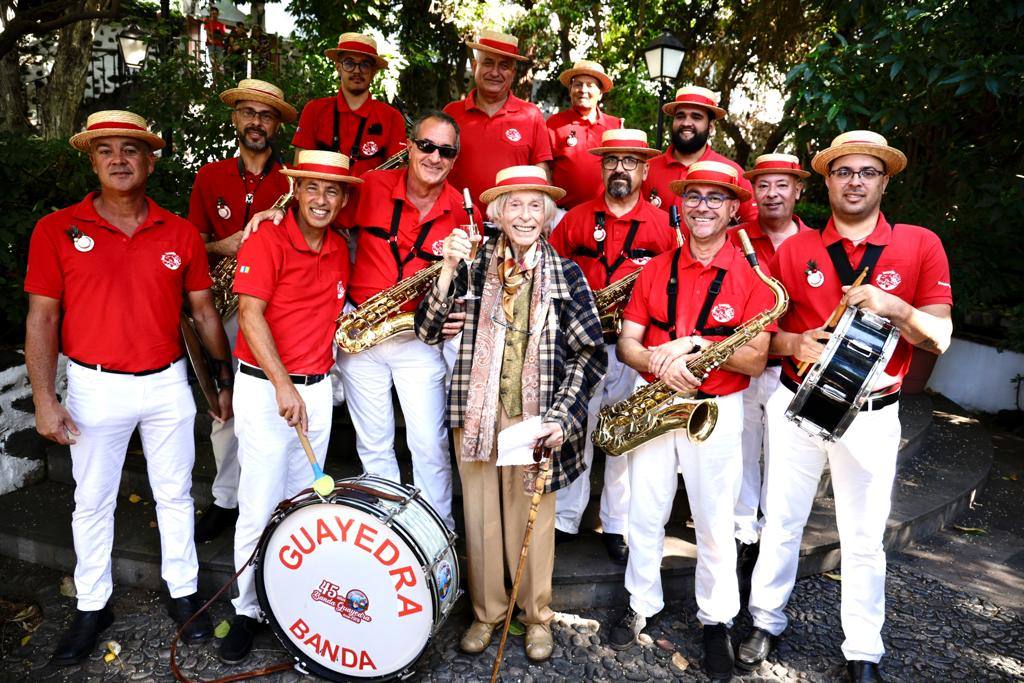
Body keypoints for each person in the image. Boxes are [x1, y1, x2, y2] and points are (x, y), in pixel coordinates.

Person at [737, 132, 953, 683]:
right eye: (843, 172)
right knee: (781, 520)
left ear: (884, 181)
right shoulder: (795, 249)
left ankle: (863, 650)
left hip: (872, 412)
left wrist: (895, 306)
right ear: (828, 181)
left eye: (867, 172)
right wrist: (792, 344)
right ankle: (765, 619)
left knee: (864, 534)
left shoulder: (920, 244)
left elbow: (939, 338)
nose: (854, 181)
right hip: (797, 399)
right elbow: (761, 336)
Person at [25, 110, 233, 664]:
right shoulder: (57, 230)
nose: (119, 158)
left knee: (175, 493)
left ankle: (184, 591)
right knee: (91, 501)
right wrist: (45, 399)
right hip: (94, 387)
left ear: (150, 160)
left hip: (167, 383)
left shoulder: (181, 232)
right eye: (106, 150)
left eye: (131, 149)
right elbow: (42, 320)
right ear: (92, 161)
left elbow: (205, 313)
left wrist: (222, 379)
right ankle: (93, 605)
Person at [415, 166, 606, 662]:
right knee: (480, 519)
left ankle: (536, 617)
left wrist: (561, 417)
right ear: (497, 213)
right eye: (514, 205)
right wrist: (448, 268)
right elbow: (428, 329)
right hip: (477, 411)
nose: (525, 214)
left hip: (536, 415)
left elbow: (591, 354)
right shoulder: (474, 267)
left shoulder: (566, 274)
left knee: (532, 522)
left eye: (535, 205)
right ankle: (486, 614)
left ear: (547, 215)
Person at [607, 160, 775, 681]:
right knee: (645, 510)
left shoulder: (753, 278)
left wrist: (698, 348)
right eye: (694, 196)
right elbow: (627, 342)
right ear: (681, 204)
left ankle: (717, 618)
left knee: (714, 522)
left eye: (714, 198)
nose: (702, 205)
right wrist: (658, 360)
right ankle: (642, 600)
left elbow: (755, 358)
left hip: (714, 409)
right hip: (655, 399)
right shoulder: (655, 267)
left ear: (731, 209)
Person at [218, 150, 361, 663]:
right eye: (312, 189)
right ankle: (247, 608)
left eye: (332, 191)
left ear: (343, 198)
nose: (321, 200)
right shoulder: (267, 235)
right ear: (295, 191)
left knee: (303, 502)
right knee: (259, 500)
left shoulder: (341, 245)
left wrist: (308, 384)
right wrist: (283, 385)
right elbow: (250, 316)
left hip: (316, 388)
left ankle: (289, 599)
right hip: (266, 388)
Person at [335, 112, 468, 531]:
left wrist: (458, 314)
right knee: (373, 443)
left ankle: (436, 534)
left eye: (445, 151)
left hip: (418, 338)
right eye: (427, 146)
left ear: (454, 159)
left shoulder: (462, 212)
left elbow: (466, 285)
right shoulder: (370, 186)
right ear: (409, 147)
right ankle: (385, 533)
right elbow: (323, 225)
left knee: (428, 443)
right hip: (363, 331)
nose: (434, 157)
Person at [548, 128, 674, 563]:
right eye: (611, 160)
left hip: (632, 348)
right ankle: (566, 518)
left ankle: (615, 523)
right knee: (573, 431)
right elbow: (549, 275)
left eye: (629, 161)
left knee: (621, 435)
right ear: (602, 167)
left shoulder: (662, 227)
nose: (619, 168)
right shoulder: (576, 218)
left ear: (644, 170)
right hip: (580, 345)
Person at [187, 78, 296, 543]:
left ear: (277, 126)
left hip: (277, 308)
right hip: (223, 305)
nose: (256, 122)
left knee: (274, 404)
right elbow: (189, 244)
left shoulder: (293, 181)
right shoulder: (210, 176)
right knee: (224, 405)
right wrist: (221, 245)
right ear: (235, 118)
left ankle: (272, 501)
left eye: (266, 115)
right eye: (249, 113)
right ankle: (226, 498)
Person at [728, 153, 813, 551]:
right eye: (763, 185)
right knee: (742, 448)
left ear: (798, 190)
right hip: (743, 363)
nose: (772, 194)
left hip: (793, 366)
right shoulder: (733, 237)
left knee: (784, 455)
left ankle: (774, 530)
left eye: (782, 185)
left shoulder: (817, 243)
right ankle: (742, 528)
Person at [444, 30, 553, 206]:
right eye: (488, 63)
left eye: (504, 66)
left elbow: (541, 172)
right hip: (458, 222)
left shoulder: (531, 115)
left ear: (513, 72)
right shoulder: (451, 113)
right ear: (474, 65)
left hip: (513, 224)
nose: (495, 72)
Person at [291, 33, 406, 178]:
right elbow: (299, 170)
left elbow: (397, 177)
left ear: (373, 72)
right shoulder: (314, 110)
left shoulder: (392, 117)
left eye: (365, 65)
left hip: (371, 200)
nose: (357, 70)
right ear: (338, 67)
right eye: (349, 63)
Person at [642, 86, 756, 223]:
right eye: (680, 116)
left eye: (696, 117)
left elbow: (752, 225)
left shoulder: (733, 172)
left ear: (711, 127)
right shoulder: (647, 169)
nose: (686, 123)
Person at [546, 60, 622, 210]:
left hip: (605, 214)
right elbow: (544, 168)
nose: (583, 89)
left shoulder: (616, 126)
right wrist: (547, 207)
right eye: (578, 84)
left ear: (600, 93)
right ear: (570, 90)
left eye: (590, 85)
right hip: (562, 214)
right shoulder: (555, 124)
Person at [204, 7, 227, 72]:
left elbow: (223, 35)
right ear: (210, 13)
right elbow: (208, 33)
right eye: (213, 13)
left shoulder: (221, 24)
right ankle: (215, 80)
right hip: (210, 44)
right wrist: (211, 38)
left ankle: (221, 79)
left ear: (217, 14)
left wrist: (215, 35)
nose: (214, 14)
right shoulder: (207, 22)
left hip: (219, 44)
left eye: (216, 13)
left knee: (220, 62)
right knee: (213, 63)